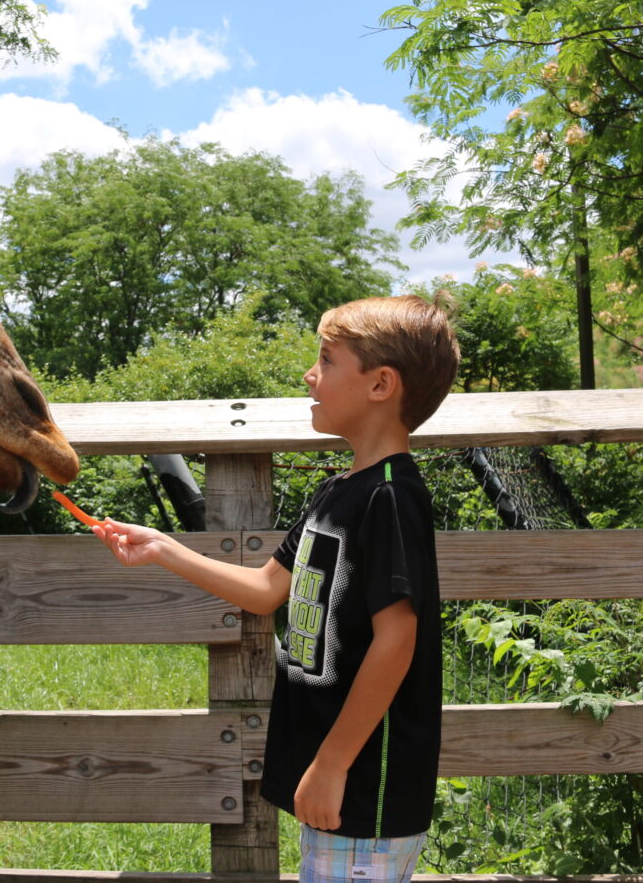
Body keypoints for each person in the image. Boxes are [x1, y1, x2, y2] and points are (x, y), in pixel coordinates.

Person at [93, 294, 458, 883]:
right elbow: (266, 590)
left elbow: (398, 641)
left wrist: (334, 764)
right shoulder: (340, 490)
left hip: (367, 790)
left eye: (327, 360)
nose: (310, 376)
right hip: (337, 783)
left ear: (380, 384)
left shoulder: (391, 496)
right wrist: (163, 548)